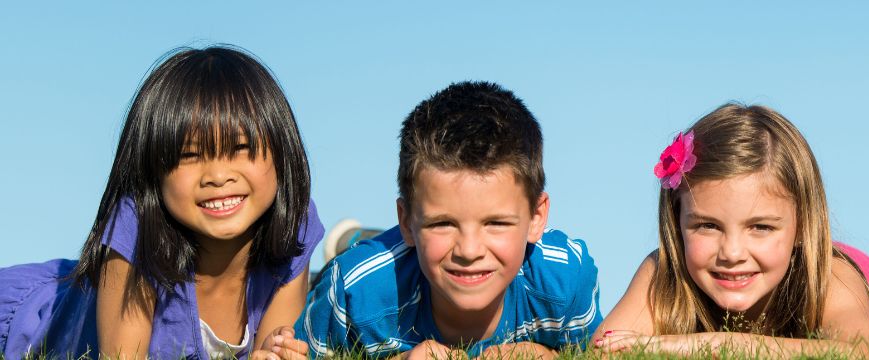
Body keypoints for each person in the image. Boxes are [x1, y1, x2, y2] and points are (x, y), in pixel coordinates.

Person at [0, 45, 323, 360]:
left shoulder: (294, 223)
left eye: (239, 148)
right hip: (32, 313)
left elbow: (274, 341)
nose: (218, 175)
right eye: (190, 155)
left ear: (282, 153)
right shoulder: (138, 225)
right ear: (152, 169)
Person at [295, 82, 601, 358]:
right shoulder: (355, 291)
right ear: (406, 221)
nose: (469, 251)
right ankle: (352, 240)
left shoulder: (565, 278)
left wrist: (551, 356)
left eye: (496, 223)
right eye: (442, 223)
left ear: (536, 217)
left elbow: (597, 353)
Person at [593, 103, 869, 358]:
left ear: (802, 226)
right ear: (677, 220)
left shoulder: (829, 276)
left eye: (761, 227)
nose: (732, 253)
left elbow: (862, 351)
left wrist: (707, 346)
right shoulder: (663, 273)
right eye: (707, 226)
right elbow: (605, 351)